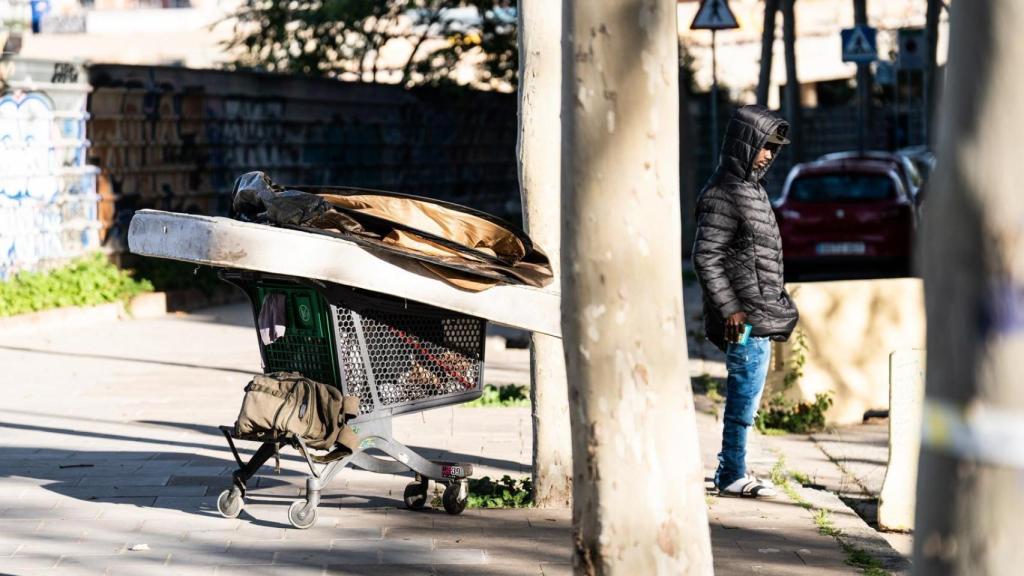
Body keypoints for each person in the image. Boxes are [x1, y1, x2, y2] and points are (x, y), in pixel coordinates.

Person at [692, 104, 800, 498]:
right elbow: (706, 255)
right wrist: (730, 309)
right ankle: (731, 473)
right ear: (745, 144)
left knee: (749, 397)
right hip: (744, 318)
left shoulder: (750, 190)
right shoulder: (725, 192)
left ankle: (733, 467)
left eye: (775, 148)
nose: (770, 155)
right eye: (765, 146)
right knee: (743, 396)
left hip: (758, 311)